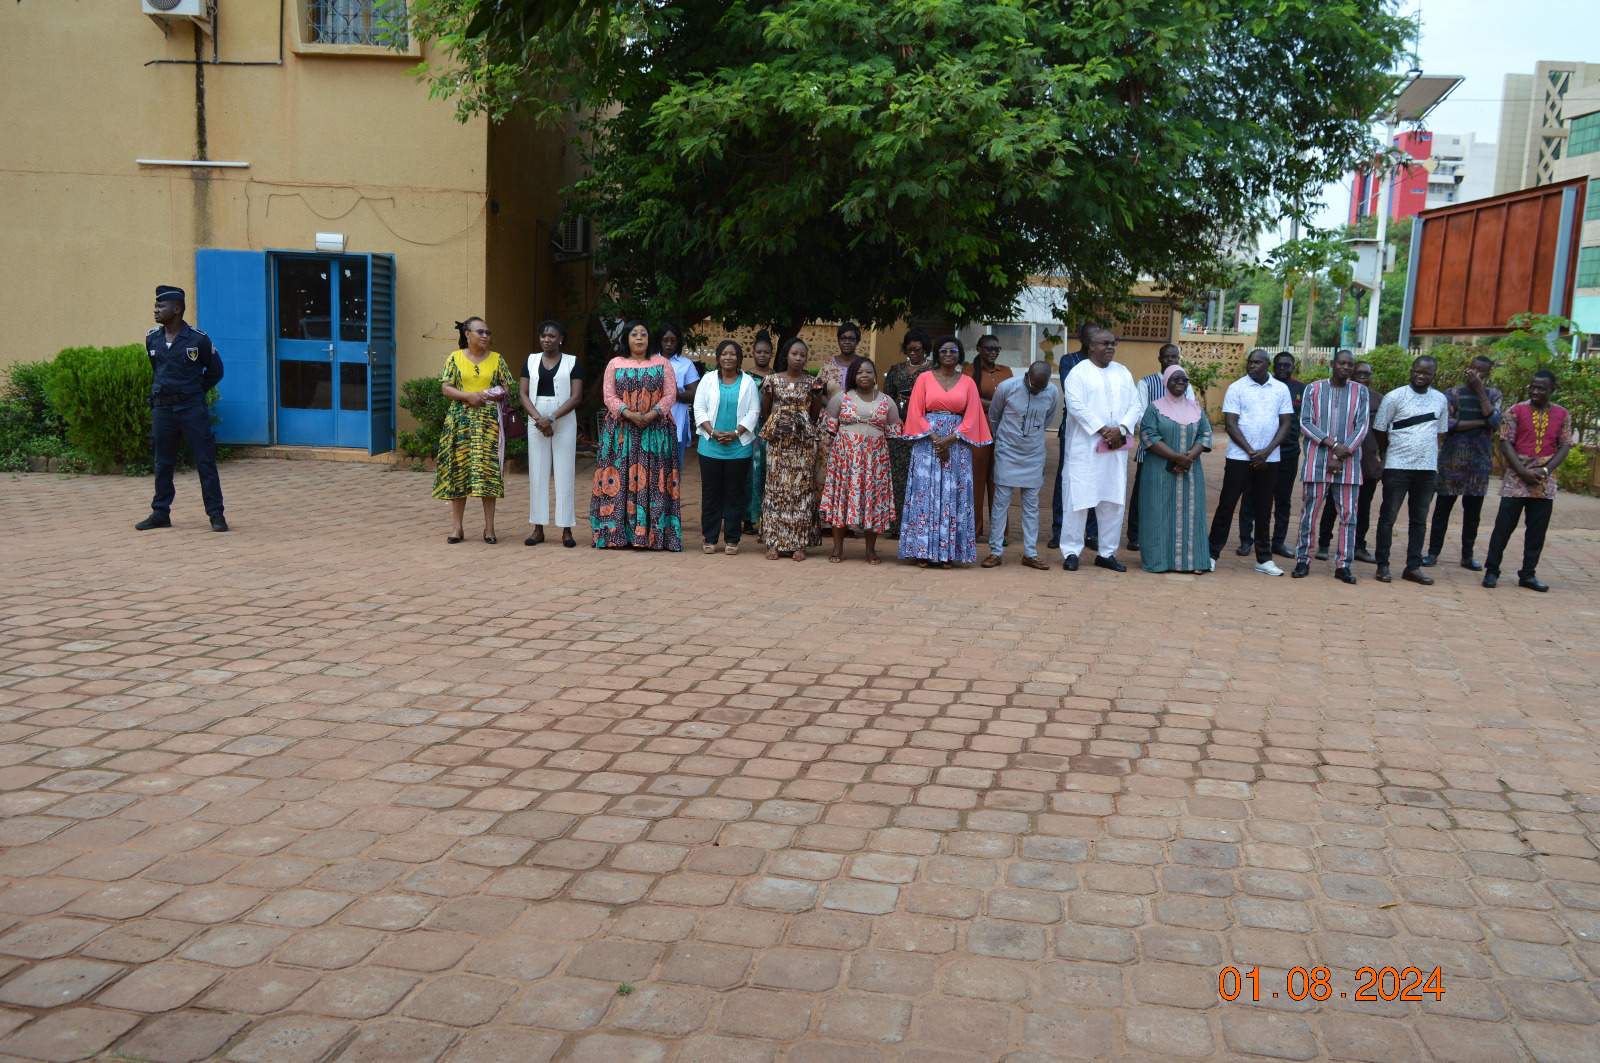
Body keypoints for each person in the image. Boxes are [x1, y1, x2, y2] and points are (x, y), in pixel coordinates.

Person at [135, 285, 227, 532]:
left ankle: (216, 514)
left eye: (160, 306)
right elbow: (157, 370)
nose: (156, 310)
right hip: (162, 410)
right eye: (155, 306)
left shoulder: (198, 339)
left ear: (177, 309)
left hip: (191, 409)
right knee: (162, 463)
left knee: (205, 461)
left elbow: (216, 371)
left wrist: (193, 392)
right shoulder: (152, 338)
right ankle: (160, 513)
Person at [900, 336, 993, 567]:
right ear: (937, 355)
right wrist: (936, 440)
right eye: (943, 351)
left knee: (954, 495)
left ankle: (948, 553)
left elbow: (972, 416)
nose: (948, 354)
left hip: (957, 445)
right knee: (925, 494)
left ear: (960, 355)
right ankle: (922, 551)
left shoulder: (968, 382)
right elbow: (916, 412)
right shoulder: (924, 378)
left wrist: (950, 439)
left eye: (953, 351)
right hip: (927, 443)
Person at [590, 321, 682, 550]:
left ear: (649, 339)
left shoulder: (662, 363)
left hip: (656, 432)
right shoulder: (615, 363)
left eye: (643, 334)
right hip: (621, 432)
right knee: (619, 479)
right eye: (634, 334)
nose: (639, 338)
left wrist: (650, 415)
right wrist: (630, 414)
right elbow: (608, 396)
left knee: (654, 480)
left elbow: (671, 394)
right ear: (626, 338)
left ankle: (654, 535)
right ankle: (616, 535)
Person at [1057, 328, 1143, 572]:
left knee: (1113, 501)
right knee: (1077, 500)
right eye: (1105, 343)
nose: (1110, 347)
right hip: (1084, 449)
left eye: (1113, 343)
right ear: (1091, 346)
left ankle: (1107, 553)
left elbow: (1135, 405)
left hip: (1115, 449)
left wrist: (1122, 429)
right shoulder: (1078, 373)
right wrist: (1105, 430)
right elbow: (1076, 406)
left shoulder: (1123, 372)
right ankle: (1071, 551)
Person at [1483, 370, 1572, 592]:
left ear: (1552, 390)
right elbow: (1505, 442)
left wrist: (1545, 470)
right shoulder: (1515, 411)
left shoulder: (1562, 414)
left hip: (1544, 480)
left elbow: (1565, 445)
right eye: (1533, 387)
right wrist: (1523, 471)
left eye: (1541, 388)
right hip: (1516, 478)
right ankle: (1492, 570)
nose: (1535, 391)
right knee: (1503, 527)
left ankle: (1528, 575)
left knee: (1537, 531)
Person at [1208, 349, 1294, 575]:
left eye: (1257, 362)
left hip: (1270, 459)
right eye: (1250, 362)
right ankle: (1211, 554)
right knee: (1227, 505)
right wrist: (1252, 453)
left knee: (1264, 509)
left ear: (1268, 365)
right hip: (1239, 457)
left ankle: (1264, 559)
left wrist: (1266, 452)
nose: (1252, 366)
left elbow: (1285, 424)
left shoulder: (1280, 389)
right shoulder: (1237, 387)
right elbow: (1230, 424)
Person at [434, 317, 517, 543]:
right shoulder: (455, 358)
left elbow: (507, 388)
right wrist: (468, 396)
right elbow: (446, 388)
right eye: (480, 332)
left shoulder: (497, 359)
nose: (485, 336)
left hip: (489, 424)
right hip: (459, 423)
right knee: (458, 472)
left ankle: (489, 529)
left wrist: (487, 395)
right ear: (467, 334)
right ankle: (457, 527)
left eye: (488, 332)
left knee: (488, 474)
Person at [1291, 350, 1369, 584]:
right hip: (1317, 462)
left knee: (1349, 515)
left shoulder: (1360, 391)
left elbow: (1362, 426)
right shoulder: (1313, 389)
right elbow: (1305, 423)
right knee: (1309, 513)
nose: (1346, 367)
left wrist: (1343, 454)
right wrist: (1334, 445)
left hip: (1348, 464)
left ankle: (1344, 565)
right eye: (1342, 363)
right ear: (1333, 364)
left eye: (1350, 365)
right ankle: (1303, 559)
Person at [1371, 355, 1450, 584]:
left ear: (1434, 375)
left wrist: (1429, 455)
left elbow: (1440, 432)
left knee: (1419, 520)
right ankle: (1383, 566)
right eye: (1418, 371)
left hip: (1427, 470)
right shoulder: (1395, 397)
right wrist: (1387, 452)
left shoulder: (1440, 399)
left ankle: (1413, 567)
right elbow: (1380, 429)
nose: (1421, 376)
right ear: (1411, 371)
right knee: (1388, 518)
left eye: (1427, 373)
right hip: (1397, 466)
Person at [820, 358, 902, 564]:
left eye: (868, 372)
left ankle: (870, 550)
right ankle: (837, 548)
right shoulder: (840, 398)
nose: (864, 375)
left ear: (875, 375)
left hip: (875, 461)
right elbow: (829, 428)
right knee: (842, 499)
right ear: (852, 376)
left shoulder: (887, 401)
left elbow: (894, 432)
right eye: (859, 372)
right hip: (845, 460)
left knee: (872, 501)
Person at [982, 361, 1061, 570]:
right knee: (1000, 503)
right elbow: (995, 416)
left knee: (1032, 506)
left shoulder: (1052, 392)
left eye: (1041, 388)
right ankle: (995, 551)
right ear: (1026, 376)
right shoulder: (1007, 387)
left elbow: (1047, 419)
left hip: (1034, 454)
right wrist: (1004, 440)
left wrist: (1029, 437)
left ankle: (1030, 553)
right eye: (1033, 386)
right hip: (1007, 452)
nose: (1037, 391)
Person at [1425, 354, 1501, 570]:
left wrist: (1480, 392)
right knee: (1442, 510)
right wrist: (1481, 422)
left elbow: (1495, 421)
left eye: (1481, 370)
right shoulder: (1452, 394)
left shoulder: (1493, 394)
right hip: (1451, 461)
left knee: (1473, 514)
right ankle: (1432, 553)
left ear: (1488, 374)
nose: (1475, 373)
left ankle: (1467, 556)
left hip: (1479, 464)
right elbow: (1447, 424)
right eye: (1473, 368)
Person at [1135, 364, 1212, 574]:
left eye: (1184, 380)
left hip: (1190, 471)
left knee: (1192, 514)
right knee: (1158, 513)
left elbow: (1205, 434)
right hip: (1159, 471)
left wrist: (1188, 459)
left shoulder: (1196, 407)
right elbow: (1147, 435)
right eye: (1175, 379)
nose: (1180, 383)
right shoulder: (1154, 408)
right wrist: (1176, 457)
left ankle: (1193, 562)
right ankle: (1159, 562)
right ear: (1166, 382)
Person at [693, 340, 762, 555]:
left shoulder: (748, 382)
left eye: (733, 354)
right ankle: (710, 538)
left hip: (739, 447)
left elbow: (754, 412)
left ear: (739, 358)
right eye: (724, 354)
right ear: (718, 358)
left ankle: (732, 539)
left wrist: (736, 433)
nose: (728, 357)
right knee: (711, 493)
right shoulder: (707, 380)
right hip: (710, 446)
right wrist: (713, 432)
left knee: (735, 494)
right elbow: (699, 409)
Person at [520, 319, 584, 548]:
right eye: (543, 335)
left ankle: (566, 529)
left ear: (561, 339)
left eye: (552, 336)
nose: (547, 339)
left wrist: (552, 418)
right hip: (536, 419)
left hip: (563, 419)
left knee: (564, 472)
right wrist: (539, 419)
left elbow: (576, 396)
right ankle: (538, 528)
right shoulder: (531, 360)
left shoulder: (571, 362)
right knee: (537, 473)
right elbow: (523, 393)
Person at [760, 336, 824, 560]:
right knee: (776, 489)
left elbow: (814, 414)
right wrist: (780, 424)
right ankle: (774, 542)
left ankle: (799, 543)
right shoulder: (771, 380)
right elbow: (766, 411)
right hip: (777, 442)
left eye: (802, 355)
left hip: (803, 443)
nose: (798, 358)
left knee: (801, 490)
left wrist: (799, 425)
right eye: (794, 354)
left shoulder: (814, 383)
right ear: (786, 355)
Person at [1237, 351, 1304, 558]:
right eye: (1279, 365)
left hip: (1288, 453)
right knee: (1250, 495)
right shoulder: (1262, 385)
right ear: (1272, 366)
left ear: (1293, 367)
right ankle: (1246, 540)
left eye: (1287, 365)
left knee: (1282, 499)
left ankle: (1278, 542)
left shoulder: (1301, 389)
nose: (1282, 368)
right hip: (1260, 452)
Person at [1317, 361, 1382, 564]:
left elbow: (1384, 433)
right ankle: (1324, 544)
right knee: (1332, 505)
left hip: (1367, 463)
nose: (1362, 377)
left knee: (1363, 507)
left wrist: (1382, 462)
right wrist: (1337, 455)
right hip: (1340, 459)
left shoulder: (1378, 399)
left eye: (1366, 374)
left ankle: (1359, 546)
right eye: (1358, 373)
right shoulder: (1342, 396)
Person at [1049, 320, 1101, 550]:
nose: (1095, 344)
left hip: (1099, 431)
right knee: (1066, 478)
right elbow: (1073, 394)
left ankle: (1091, 533)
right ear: (1081, 339)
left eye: (1098, 340)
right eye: (1091, 340)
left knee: (1095, 478)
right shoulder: (1068, 360)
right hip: (1073, 429)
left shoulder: (1106, 365)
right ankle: (1059, 530)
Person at [1126, 342, 1183, 551]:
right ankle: (1135, 536)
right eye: (1167, 357)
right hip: (1150, 448)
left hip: (1176, 449)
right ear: (1160, 359)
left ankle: (1165, 535)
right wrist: (1160, 435)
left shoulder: (1184, 383)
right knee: (1143, 493)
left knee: (1171, 494)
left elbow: (1190, 412)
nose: (1171, 360)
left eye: (1175, 357)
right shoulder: (1146, 383)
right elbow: (1140, 414)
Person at [883, 329, 933, 539]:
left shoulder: (933, 370)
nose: (913, 353)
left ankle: (919, 523)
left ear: (925, 349)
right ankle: (897, 526)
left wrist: (917, 399)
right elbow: (886, 398)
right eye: (909, 349)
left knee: (923, 477)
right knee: (898, 478)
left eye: (917, 349)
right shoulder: (896, 370)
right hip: (898, 431)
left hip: (923, 431)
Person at [969, 334, 1016, 540]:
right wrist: (997, 405)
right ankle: (974, 530)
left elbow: (1013, 399)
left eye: (997, 349)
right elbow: (970, 399)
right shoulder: (970, 371)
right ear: (979, 349)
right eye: (989, 348)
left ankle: (999, 533)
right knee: (976, 483)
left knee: (999, 483)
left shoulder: (1006, 371)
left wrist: (987, 404)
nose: (993, 352)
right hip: (977, 432)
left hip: (1003, 432)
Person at [743, 330, 776, 537]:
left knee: (768, 473)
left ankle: (767, 518)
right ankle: (747, 518)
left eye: (766, 352)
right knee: (749, 475)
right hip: (749, 431)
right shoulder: (745, 378)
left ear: (772, 354)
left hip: (770, 431)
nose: (762, 355)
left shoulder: (777, 377)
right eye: (758, 352)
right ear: (753, 353)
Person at [658, 322, 699, 469]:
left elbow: (695, 393)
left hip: (678, 419)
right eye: (665, 340)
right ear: (660, 341)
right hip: (652, 420)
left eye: (673, 340)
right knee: (653, 465)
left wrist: (677, 395)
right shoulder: (650, 361)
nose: (669, 344)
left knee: (674, 467)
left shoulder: (686, 364)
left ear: (678, 341)